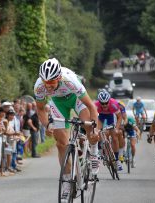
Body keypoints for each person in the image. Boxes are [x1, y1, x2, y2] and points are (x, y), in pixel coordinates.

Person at [34, 58, 99, 200]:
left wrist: (94, 129)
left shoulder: (70, 80)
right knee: (61, 144)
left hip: (76, 99)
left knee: (88, 126)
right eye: (46, 82)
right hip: (58, 103)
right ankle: (67, 182)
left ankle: (94, 152)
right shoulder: (39, 86)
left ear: (58, 78)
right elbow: (40, 109)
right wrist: (47, 125)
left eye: (51, 82)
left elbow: (91, 106)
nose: (48, 86)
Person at [95, 91, 123, 170]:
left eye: (106, 103)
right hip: (101, 116)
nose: (104, 105)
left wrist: (117, 128)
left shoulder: (114, 104)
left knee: (114, 137)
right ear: (99, 102)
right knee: (98, 132)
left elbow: (120, 117)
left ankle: (117, 161)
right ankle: (100, 152)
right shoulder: (96, 105)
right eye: (102, 103)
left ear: (109, 101)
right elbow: (93, 117)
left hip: (111, 116)